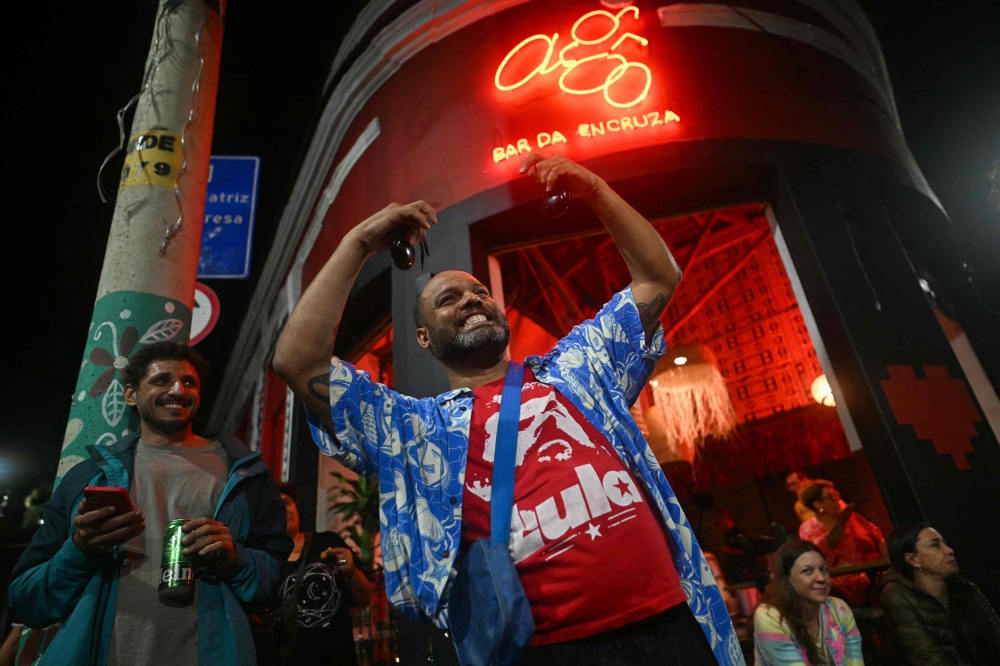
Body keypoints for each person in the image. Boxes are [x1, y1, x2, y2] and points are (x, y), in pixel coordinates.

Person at [273, 153, 743, 665]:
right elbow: (297, 360)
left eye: (479, 292)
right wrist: (360, 243)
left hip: (670, 627)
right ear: (424, 338)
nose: (471, 299)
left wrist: (594, 190)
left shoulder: (577, 369)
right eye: (449, 299)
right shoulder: (413, 429)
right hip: (548, 652)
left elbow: (657, 277)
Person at [9, 342, 292, 666]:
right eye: (161, 380)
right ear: (131, 395)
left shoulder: (248, 475)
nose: (178, 390)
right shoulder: (87, 477)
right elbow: (27, 601)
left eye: (189, 382)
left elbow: (279, 583)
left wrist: (236, 560)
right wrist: (80, 550)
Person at [255, 483, 372, 666]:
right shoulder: (262, 559)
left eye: (287, 502)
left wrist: (352, 572)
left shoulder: (328, 542)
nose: (284, 510)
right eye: (275, 506)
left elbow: (364, 600)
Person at [881, 523, 1000, 666]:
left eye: (945, 543)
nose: (950, 550)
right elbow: (926, 658)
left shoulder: (967, 590)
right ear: (913, 560)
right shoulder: (897, 595)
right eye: (935, 545)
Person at [754, 540, 863, 666]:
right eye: (807, 571)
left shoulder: (839, 609)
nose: (821, 578)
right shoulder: (769, 616)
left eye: (823, 569)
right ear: (786, 578)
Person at [798, 481, 886, 606]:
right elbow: (822, 551)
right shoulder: (808, 528)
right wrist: (840, 523)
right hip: (842, 590)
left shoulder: (853, 517)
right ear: (818, 504)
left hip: (877, 577)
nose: (837, 500)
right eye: (831, 496)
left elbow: (878, 536)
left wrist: (889, 563)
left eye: (837, 494)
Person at [719, 509, 754, 584]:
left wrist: (730, 551)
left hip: (742, 567)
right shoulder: (727, 534)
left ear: (726, 518)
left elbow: (747, 550)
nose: (720, 521)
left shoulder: (739, 531)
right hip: (733, 568)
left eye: (722, 518)